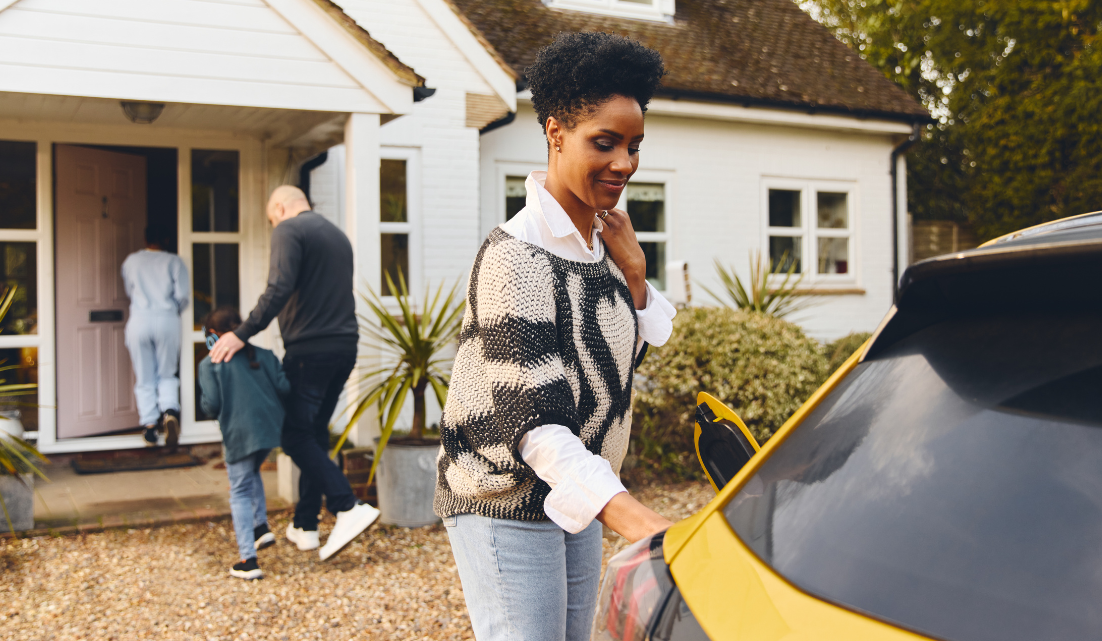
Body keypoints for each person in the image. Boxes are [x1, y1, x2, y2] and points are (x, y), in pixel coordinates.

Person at [435, 32, 676, 641]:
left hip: (576, 492)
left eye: (634, 145)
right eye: (606, 142)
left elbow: (616, 364)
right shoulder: (515, 258)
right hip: (506, 494)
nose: (624, 162)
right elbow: (535, 424)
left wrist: (636, 274)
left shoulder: (602, 245)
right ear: (555, 133)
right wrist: (638, 518)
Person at [206, 185, 379, 561]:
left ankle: (348, 506)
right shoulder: (337, 235)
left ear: (281, 208)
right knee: (314, 434)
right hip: (344, 347)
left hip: (309, 351)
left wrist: (240, 333)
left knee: (294, 434)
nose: (273, 227)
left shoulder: (288, 229)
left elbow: (278, 287)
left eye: (272, 219)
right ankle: (306, 526)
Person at [198, 307, 289, 580]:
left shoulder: (210, 363)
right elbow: (285, 389)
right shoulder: (264, 355)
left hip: (238, 433)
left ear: (214, 335)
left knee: (238, 491)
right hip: (269, 432)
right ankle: (261, 527)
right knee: (251, 473)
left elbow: (211, 405)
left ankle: (248, 560)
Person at [121, 223, 188, 448]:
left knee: (144, 375)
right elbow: (183, 296)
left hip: (140, 319)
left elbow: (130, 290)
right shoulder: (174, 262)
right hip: (166, 318)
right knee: (167, 372)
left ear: (145, 239)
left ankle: (149, 426)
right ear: (167, 240)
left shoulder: (131, 261)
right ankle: (169, 411)